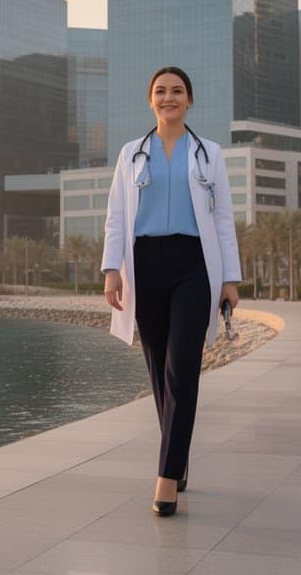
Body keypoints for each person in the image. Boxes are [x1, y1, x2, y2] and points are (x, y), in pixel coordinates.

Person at [100, 66, 242, 517]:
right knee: (159, 372)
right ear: (151, 100)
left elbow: (223, 219)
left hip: (194, 266)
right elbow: (117, 215)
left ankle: (166, 477)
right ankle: (178, 458)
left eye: (177, 91)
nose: (169, 98)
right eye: (160, 91)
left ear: (189, 100)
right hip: (144, 265)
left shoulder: (209, 154)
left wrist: (230, 279)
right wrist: (111, 269)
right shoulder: (131, 153)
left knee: (182, 370)